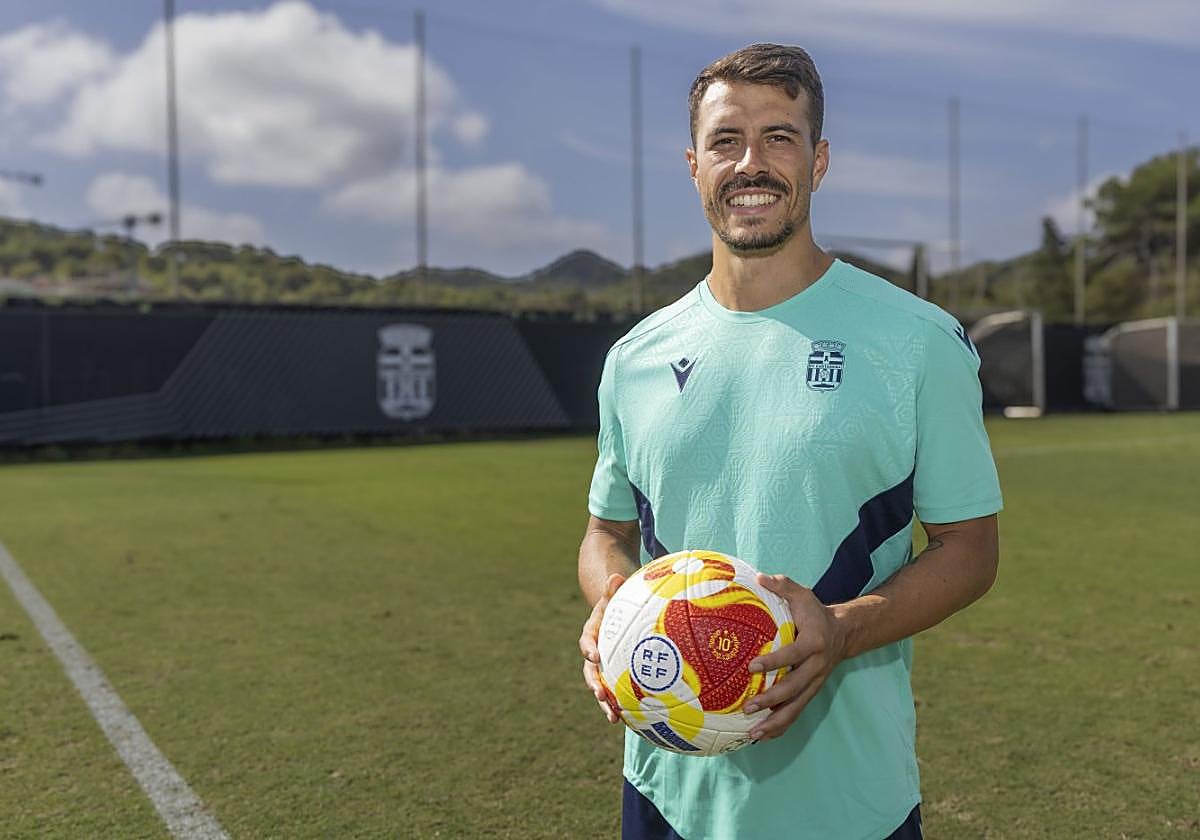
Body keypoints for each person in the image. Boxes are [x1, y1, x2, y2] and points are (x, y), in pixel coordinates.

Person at [577, 43, 1002, 840]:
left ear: (819, 160)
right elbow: (605, 532)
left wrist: (842, 629)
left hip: (848, 802)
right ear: (694, 163)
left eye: (780, 137)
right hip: (667, 791)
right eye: (726, 140)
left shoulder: (917, 341)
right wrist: (618, 609)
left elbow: (970, 548)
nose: (752, 163)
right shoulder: (633, 358)